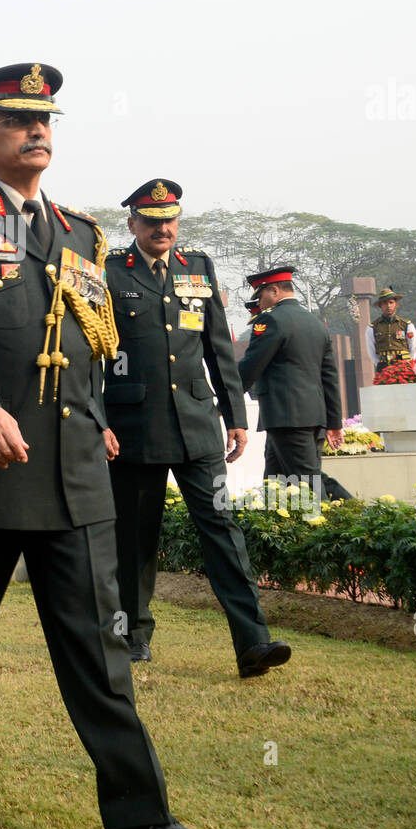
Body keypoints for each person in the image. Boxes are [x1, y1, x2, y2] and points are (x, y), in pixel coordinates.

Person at [0, 62, 235, 829]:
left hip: (76, 469)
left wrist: (99, 423)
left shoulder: (84, 234)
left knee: (102, 648)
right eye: (16, 121)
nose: (37, 132)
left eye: (45, 119)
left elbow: (88, 339)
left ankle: (141, 825)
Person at [103, 179, 289, 678]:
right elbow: (90, 355)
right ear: (133, 224)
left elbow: (217, 349)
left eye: (170, 220)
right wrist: (97, 422)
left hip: (196, 424)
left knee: (222, 531)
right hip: (131, 427)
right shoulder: (107, 272)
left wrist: (236, 417)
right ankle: (133, 637)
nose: (162, 228)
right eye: (151, 220)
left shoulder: (198, 268)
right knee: (135, 539)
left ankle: (253, 641)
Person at [238, 264, 352, 503]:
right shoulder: (314, 323)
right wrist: (333, 422)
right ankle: (282, 534)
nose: (261, 301)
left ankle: (359, 513)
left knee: (308, 480)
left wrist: (226, 398)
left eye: (262, 294)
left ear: (275, 291)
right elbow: (329, 378)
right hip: (313, 417)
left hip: (287, 417)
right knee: (276, 485)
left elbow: (250, 367)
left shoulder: (271, 321)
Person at [366, 286, 416, 373]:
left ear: (396, 304)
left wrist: (409, 362)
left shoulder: (407, 325)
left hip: (404, 365)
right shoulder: (372, 327)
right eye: (384, 303)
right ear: (380, 306)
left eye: (391, 302)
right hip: (384, 366)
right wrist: (380, 364)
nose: (388, 306)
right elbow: (371, 351)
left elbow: (413, 347)